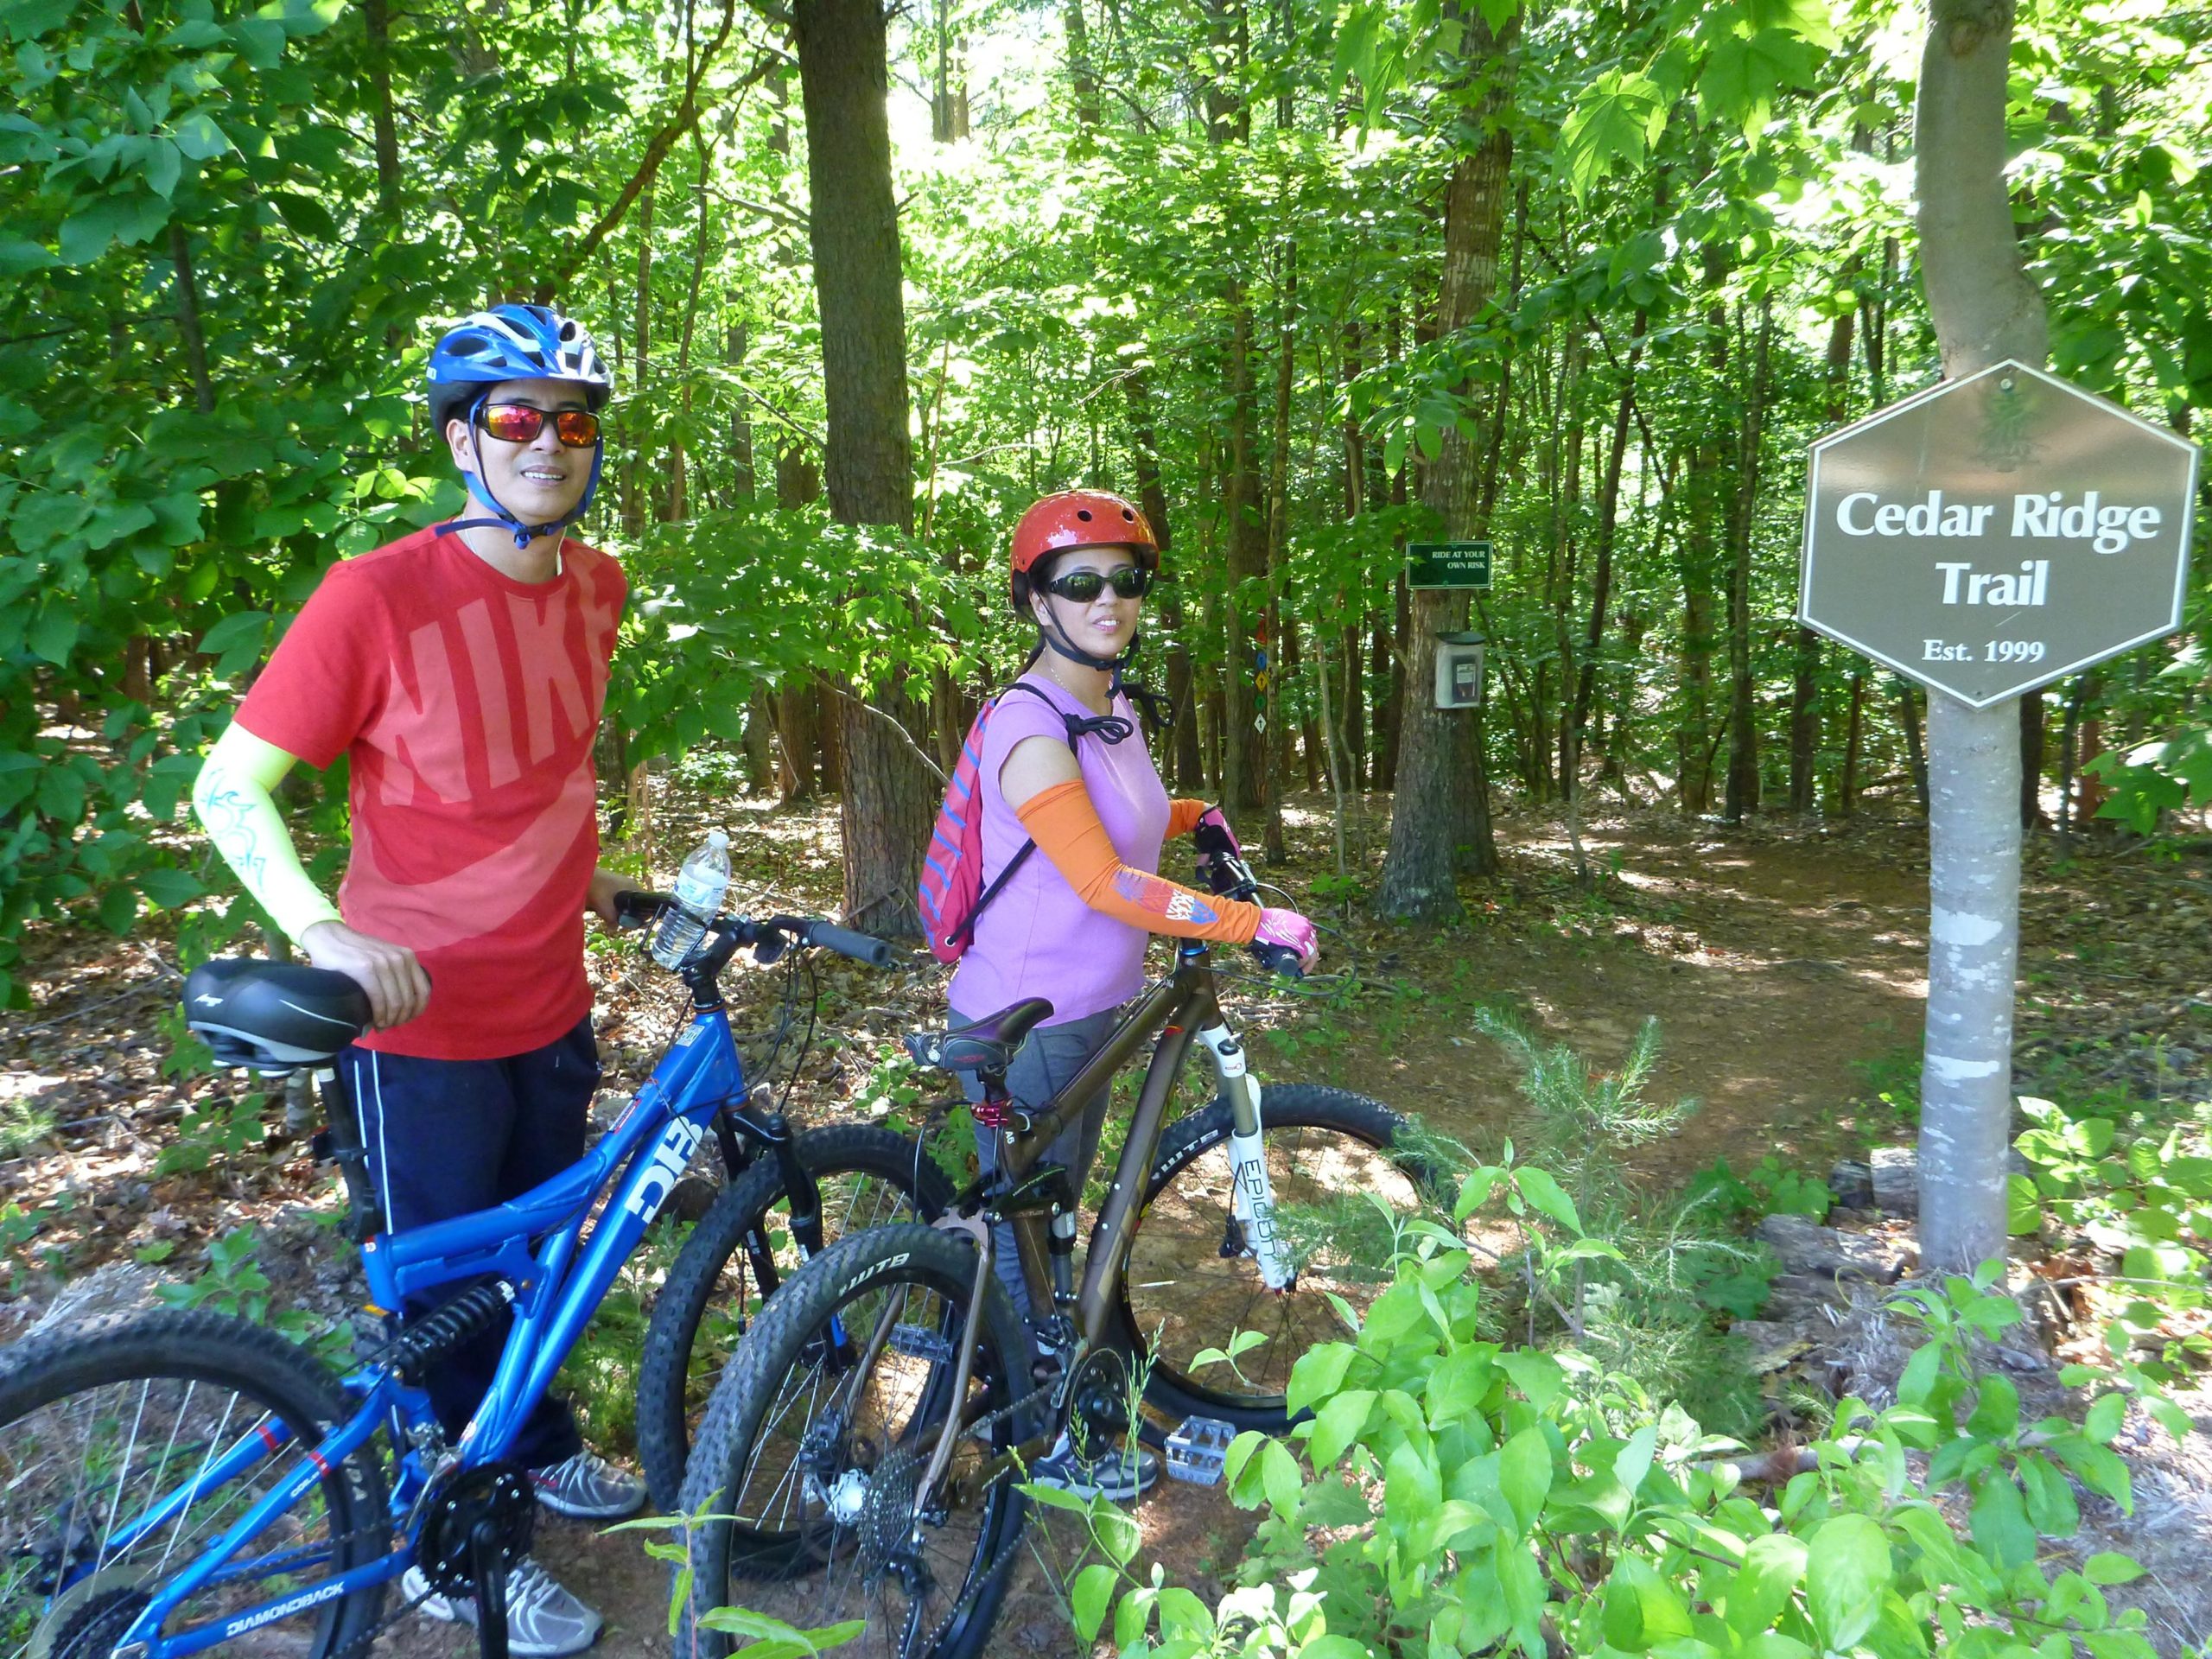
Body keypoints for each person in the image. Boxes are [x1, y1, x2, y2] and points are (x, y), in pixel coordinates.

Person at [191, 303, 641, 1656]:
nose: (547, 443)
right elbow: (228, 786)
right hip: (417, 1022)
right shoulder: (372, 594)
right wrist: (322, 929)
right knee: (444, 1296)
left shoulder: (598, 585)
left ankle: (538, 1444)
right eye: (515, 417)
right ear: (461, 439)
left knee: (538, 1267)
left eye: (573, 420)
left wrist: (600, 878)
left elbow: (548, 768)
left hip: (550, 998)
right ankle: (447, 1539)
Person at [947, 488, 1319, 1500]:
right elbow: (1102, 880)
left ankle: (1007, 1359)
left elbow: (1126, 824)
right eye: (1080, 583)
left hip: (1088, 1005)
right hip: (1031, 1017)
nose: (1108, 599)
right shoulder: (1031, 727)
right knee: (1040, 1235)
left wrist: (1199, 815)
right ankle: (1041, 1435)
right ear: (1036, 601)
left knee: (1054, 1214)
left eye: (1126, 579)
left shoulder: (1106, 710)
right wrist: (1251, 922)